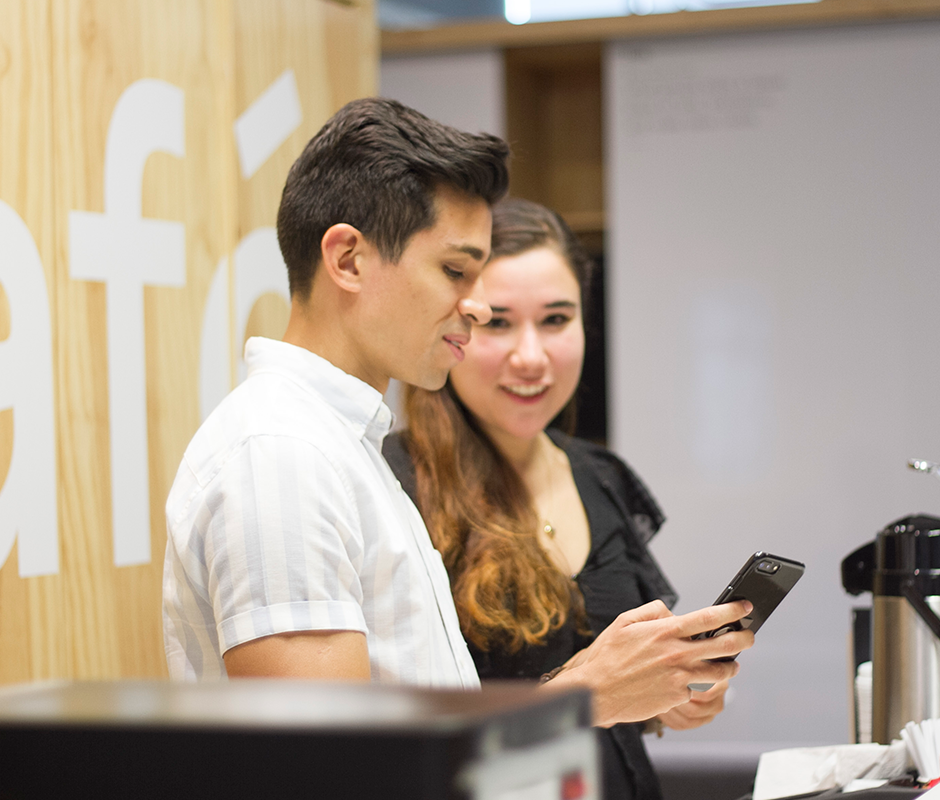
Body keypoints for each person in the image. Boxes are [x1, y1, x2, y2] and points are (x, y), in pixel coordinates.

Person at [163, 97, 753, 730]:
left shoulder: (337, 443)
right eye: (454, 271)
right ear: (348, 260)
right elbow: (329, 770)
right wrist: (583, 697)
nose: (476, 307)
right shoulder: (281, 454)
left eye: (557, 317)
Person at [383, 197, 730, 798]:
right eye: (497, 322)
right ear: (456, 324)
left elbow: (623, 690)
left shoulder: (600, 475)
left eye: (555, 320)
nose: (531, 357)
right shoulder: (396, 484)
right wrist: (584, 697)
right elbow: (396, 748)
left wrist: (670, 693)